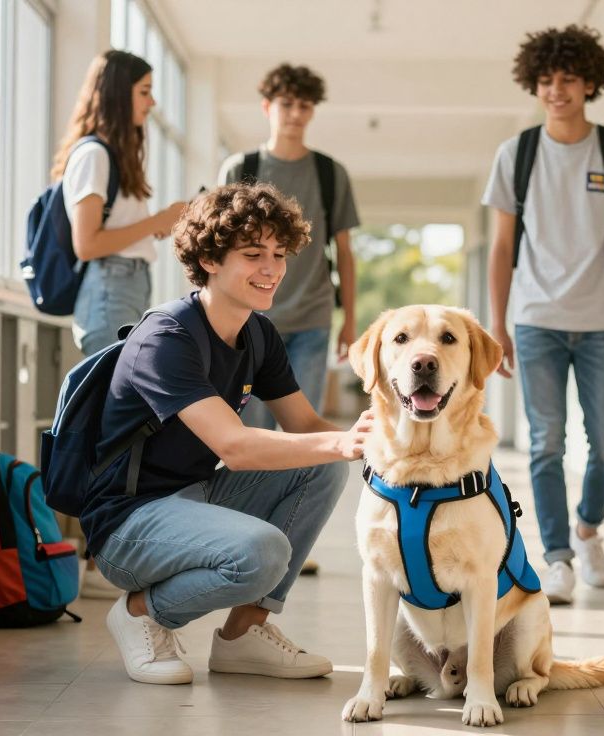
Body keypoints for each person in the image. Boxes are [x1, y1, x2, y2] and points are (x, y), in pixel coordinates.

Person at [87, 181, 371, 684]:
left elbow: (305, 427)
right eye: (253, 253)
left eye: (279, 254)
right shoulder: (166, 337)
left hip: (194, 501)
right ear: (211, 259)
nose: (272, 269)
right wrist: (343, 442)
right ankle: (139, 613)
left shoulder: (257, 333)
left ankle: (243, 636)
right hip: (129, 523)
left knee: (322, 464)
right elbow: (234, 447)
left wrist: (387, 444)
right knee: (262, 552)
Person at [483, 25, 604, 605]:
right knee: (546, 442)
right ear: (536, 84)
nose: (558, 90)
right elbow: (503, 247)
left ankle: (587, 529)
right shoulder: (518, 154)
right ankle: (556, 557)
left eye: (569, 80)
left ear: (589, 84)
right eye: (548, 80)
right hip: (535, 320)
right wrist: (497, 325)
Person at [218, 63, 361, 431]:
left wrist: (350, 322)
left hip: (312, 318)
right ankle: (256, 493)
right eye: (287, 104)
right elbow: (217, 246)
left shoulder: (331, 174)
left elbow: (344, 251)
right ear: (267, 107)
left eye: (304, 106)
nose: (296, 114)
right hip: (248, 319)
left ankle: (296, 492)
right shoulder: (240, 168)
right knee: (252, 431)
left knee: (304, 430)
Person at [52, 49, 188, 357]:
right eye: (144, 92)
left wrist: (161, 223)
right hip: (110, 290)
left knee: (122, 399)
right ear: (117, 95)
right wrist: (156, 221)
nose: (151, 102)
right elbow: (87, 244)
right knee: (116, 401)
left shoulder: (111, 157)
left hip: (125, 286)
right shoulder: (93, 156)